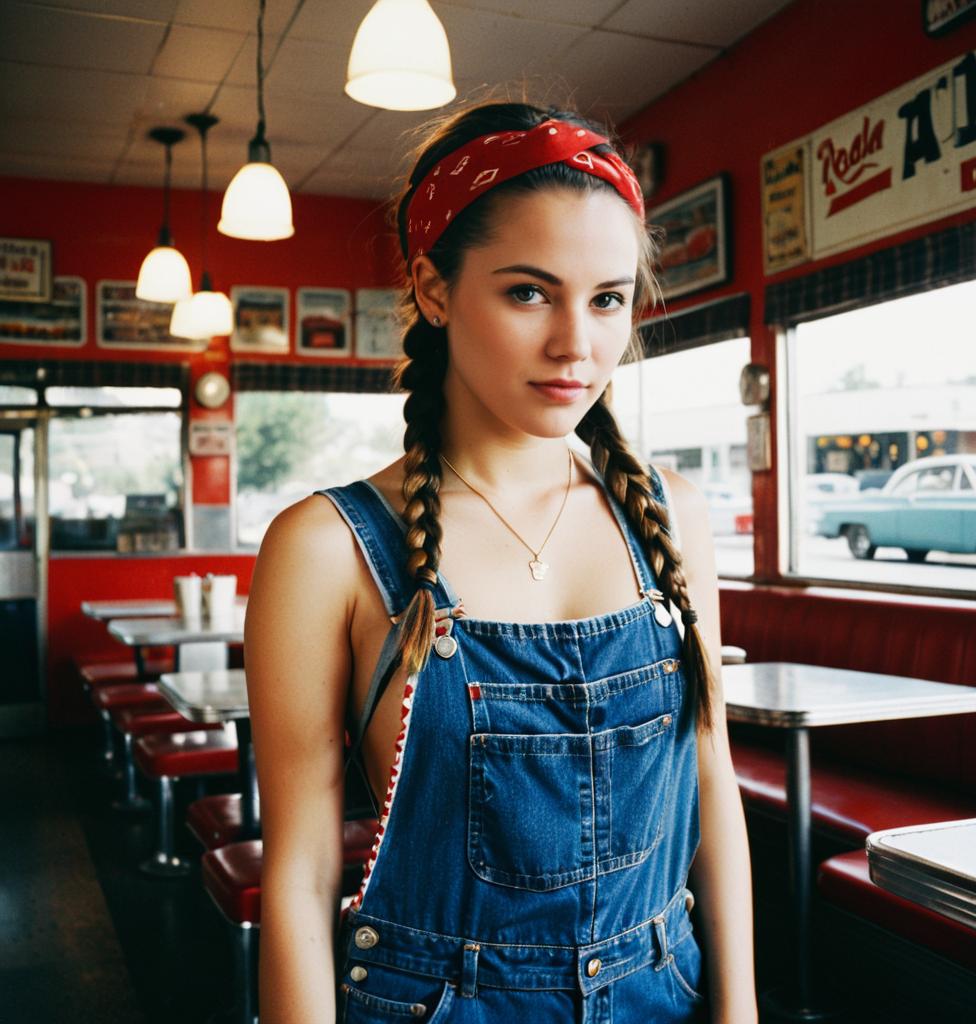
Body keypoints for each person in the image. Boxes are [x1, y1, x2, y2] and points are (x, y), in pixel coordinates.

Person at [245, 100, 758, 1024]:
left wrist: (740, 1010)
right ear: (435, 291)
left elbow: (711, 782)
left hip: (662, 993)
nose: (577, 344)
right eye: (529, 292)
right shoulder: (325, 547)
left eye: (607, 299)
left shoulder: (672, 519)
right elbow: (300, 872)